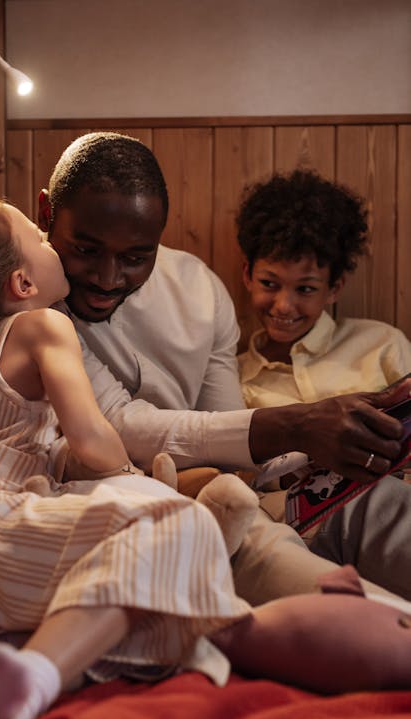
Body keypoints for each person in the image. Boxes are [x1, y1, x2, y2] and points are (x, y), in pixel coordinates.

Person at [0, 198, 411, 719]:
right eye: (46, 237)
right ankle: (36, 677)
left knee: (364, 507)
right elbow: (99, 434)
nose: (107, 273)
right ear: (24, 278)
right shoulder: (47, 325)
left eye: (135, 256)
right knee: (189, 535)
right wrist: (141, 478)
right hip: (7, 526)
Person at [37, 131, 411, 602]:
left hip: (244, 487)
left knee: (376, 504)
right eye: (87, 251)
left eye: (136, 257)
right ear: (45, 213)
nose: (108, 278)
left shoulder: (198, 288)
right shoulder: (31, 296)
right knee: (246, 528)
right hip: (164, 503)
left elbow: (230, 433)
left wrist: (307, 453)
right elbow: (119, 426)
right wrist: (298, 425)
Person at [237, 169, 411, 409]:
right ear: (248, 275)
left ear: (334, 288)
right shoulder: (235, 378)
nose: (284, 306)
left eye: (306, 288)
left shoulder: (383, 344)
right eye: (269, 284)